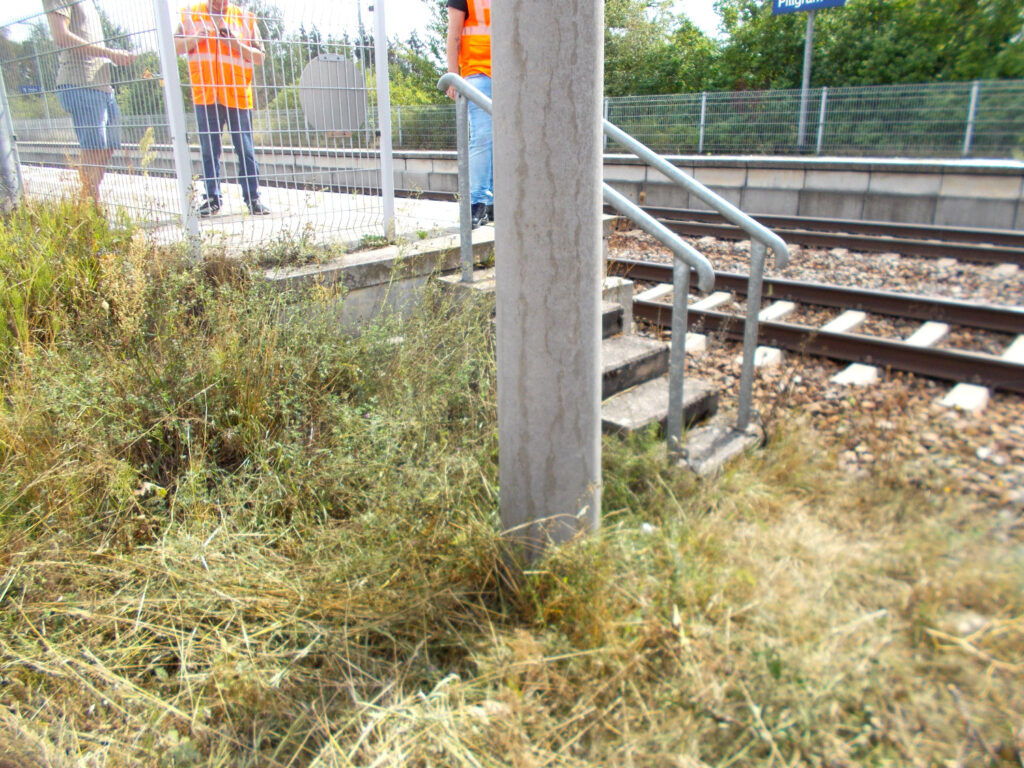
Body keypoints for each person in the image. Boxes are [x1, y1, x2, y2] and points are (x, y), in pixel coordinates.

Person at [174, 0, 269, 216]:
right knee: (209, 149)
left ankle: (253, 198)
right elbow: (174, 46)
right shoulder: (191, 14)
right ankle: (212, 199)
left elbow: (260, 56)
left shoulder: (245, 17)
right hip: (206, 95)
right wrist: (196, 38)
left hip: (237, 95)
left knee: (245, 149)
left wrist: (236, 45)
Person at [43, 0, 137, 202]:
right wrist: (109, 53)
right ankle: (90, 209)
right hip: (79, 82)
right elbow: (61, 36)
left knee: (110, 143)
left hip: (102, 85)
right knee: (94, 147)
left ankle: (89, 201)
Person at [446, 0, 492, 229]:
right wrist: (453, 76)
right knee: (483, 136)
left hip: (512, 73)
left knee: (504, 140)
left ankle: (493, 202)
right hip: (479, 72)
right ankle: (479, 203)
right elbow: (454, 34)